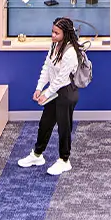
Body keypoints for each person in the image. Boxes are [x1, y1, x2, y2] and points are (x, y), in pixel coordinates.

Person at [18, 17, 89, 176]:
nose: (53, 35)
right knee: (45, 123)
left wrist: (46, 93)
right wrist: (39, 88)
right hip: (54, 91)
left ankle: (64, 160)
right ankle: (37, 155)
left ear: (66, 33)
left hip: (66, 93)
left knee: (64, 127)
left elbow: (62, 79)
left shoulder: (70, 52)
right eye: (52, 31)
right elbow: (47, 68)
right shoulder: (54, 46)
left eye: (56, 33)